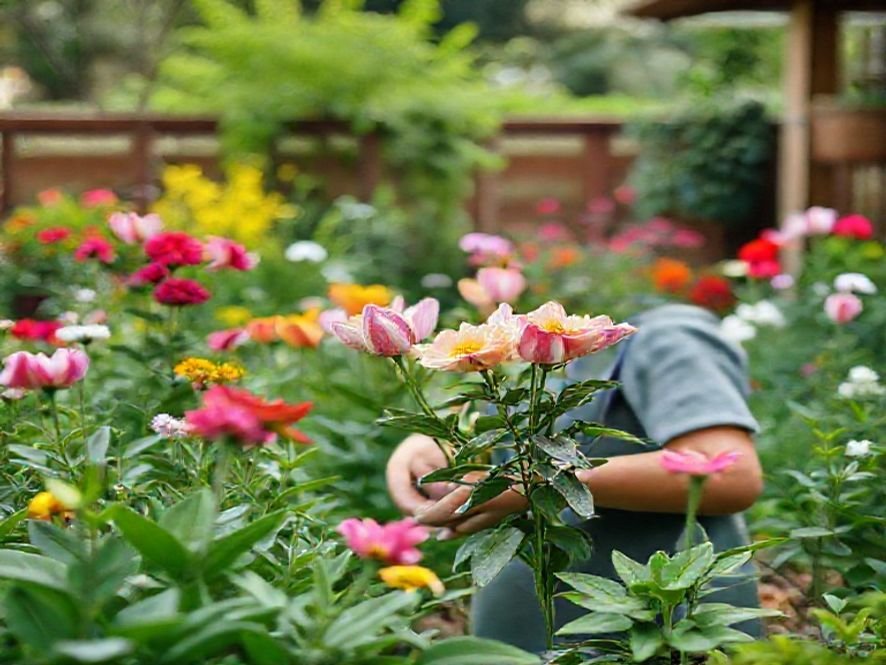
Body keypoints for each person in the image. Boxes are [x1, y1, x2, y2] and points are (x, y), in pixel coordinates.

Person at [385, 303, 765, 653]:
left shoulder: (669, 336)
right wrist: (433, 443)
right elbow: (526, 435)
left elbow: (730, 473)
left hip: (645, 641)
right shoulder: (547, 353)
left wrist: (534, 485)